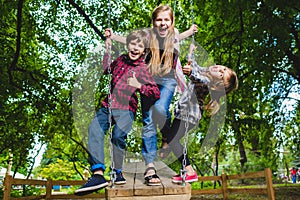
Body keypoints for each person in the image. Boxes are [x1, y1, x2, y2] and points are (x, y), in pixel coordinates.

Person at [106, 4, 198, 186]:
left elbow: (181, 36)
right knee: (148, 120)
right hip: (148, 79)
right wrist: (112, 36)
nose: (163, 23)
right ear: (153, 22)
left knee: (160, 109)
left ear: (171, 23)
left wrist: (190, 31)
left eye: (166, 20)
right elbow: (129, 41)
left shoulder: (174, 36)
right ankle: (150, 166)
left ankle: (166, 135)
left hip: (168, 80)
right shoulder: (148, 36)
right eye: (159, 20)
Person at [74, 30, 160, 195]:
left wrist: (139, 85)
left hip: (127, 109)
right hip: (108, 105)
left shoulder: (143, 69)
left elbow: (155, 92)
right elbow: (106, 69)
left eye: (139, 46)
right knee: (95, 130)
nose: (135, 48)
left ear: (144, 50)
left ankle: (117, 171)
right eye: (133, 44)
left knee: (118, 137)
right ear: (128, 45)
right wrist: (108, 49)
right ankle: (98, 173)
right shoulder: (120, 60)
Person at [164, 43, 238, 183]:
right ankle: (186, 169)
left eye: (221, 74)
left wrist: (190, 72)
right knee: (172, 138)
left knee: (172, 139)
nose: (219, 69)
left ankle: (189, 170)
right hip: (184, 114)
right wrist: (191, 54)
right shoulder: (206, 73)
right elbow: (197, 68)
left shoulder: (208, 81)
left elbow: (197, 77)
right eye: (223, 68)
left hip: (189, 115)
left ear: (217, 84)